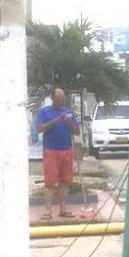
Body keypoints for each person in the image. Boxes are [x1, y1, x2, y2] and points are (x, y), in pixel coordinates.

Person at [34, 87, 79, 220]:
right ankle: (48, 211)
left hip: (66, 150)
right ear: (52, 98)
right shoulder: (45, 112)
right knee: (50, 182)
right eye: (58, 100)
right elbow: (40, 128)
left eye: (63, 100)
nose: (61, 102)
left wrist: (69, 122)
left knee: (65, 181)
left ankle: (63, 210)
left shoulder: (68, 113)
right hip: (51, 151)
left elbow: (76, 131)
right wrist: (57, 119)